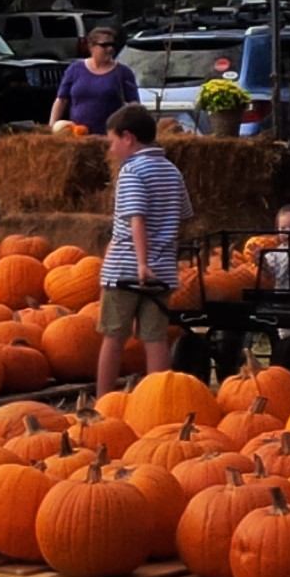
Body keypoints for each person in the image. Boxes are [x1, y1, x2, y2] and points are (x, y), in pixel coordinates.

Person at [96, 104, 190, 397]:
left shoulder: (131, 171)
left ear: (128, 138)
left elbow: (137, 218)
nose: (111, 149)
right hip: (162, 270)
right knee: (155, 339)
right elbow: (184, 216)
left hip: (126, 269)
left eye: (112, 141)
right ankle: (159, 400)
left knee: (113, 336)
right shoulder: (172, 171)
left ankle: (102, 402)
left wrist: (141, 262)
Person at [48, 27, 140, 133]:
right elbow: (61, 100)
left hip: (110, 136)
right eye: (105, 45)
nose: (110, 49)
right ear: (91, 47)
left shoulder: (123, 72)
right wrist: (51, 127)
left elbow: (134, 106)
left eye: (112, 45)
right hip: (78, 134)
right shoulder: (75, 69)